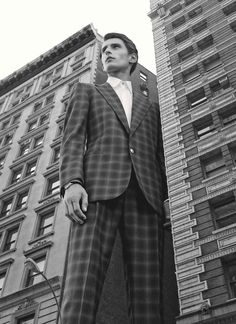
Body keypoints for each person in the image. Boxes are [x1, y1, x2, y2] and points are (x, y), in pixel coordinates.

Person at [59, 32, 167, 324]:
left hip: (146, 199)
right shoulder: (87, 92)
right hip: (96, 192)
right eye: (104, 49)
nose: (107, 52)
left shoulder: (153, 108)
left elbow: (159, 155)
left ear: (132, 57)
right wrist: (72, 182)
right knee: (80, 287)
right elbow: (72, 140)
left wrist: (166, 199)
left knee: (149, 299)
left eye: (115, 47)